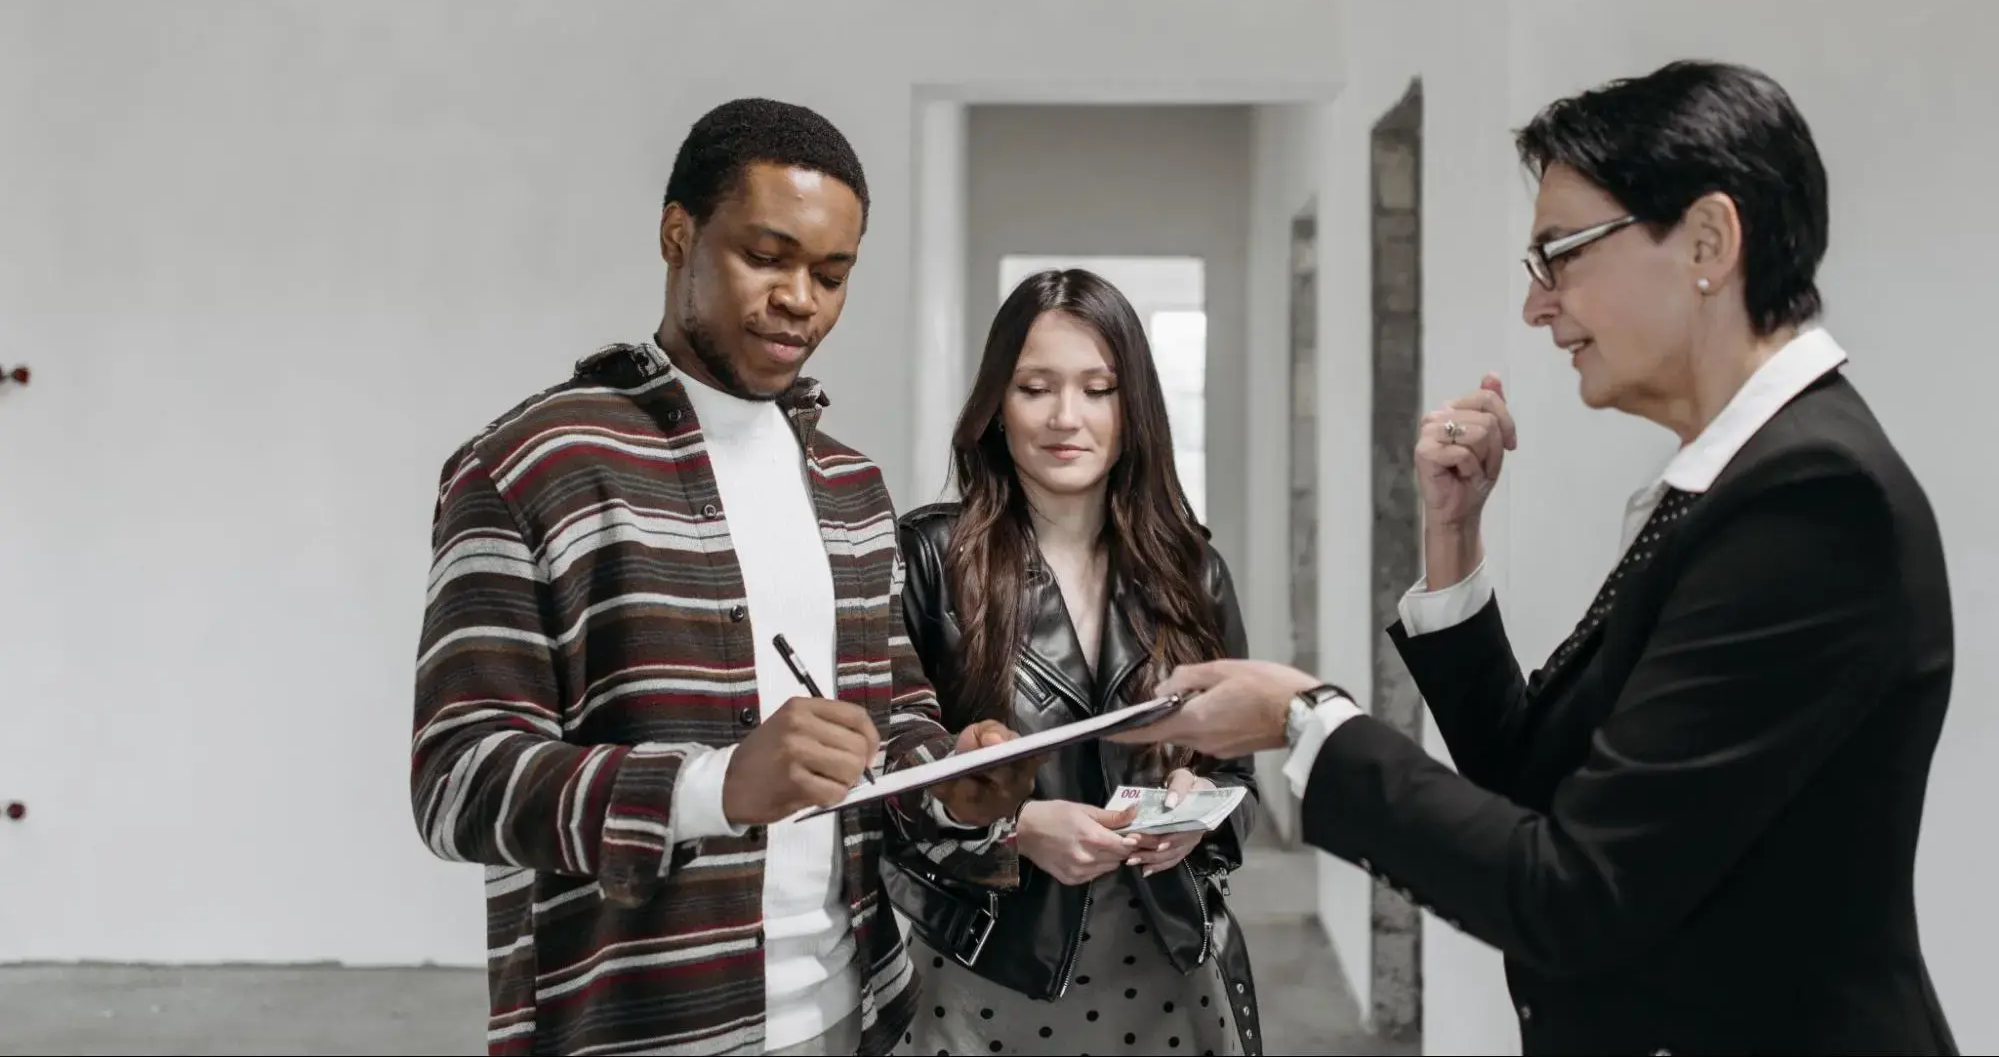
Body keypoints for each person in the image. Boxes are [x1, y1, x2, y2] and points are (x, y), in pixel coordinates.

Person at [1120, 61, 1958, 1054]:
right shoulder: (1740, 477)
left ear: (1706, 242)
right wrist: (1452, 535)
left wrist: (1304, 719)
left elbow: (1574, 891)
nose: (1538, 307)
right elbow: (1539, 790)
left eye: (1558, 254)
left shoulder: (1813, 500)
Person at [410, 97, 1040, 1057]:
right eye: (767, 256)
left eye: (832, 275)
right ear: (677, 233)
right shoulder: (530, 468)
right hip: (642, 1026)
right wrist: (716, 787)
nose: (802, 299)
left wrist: (954, 785)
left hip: (857, 1008)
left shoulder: (850, 486)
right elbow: (457, 783)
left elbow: (892, 718)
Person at [891, 268, 1262, 1056]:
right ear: (997, 402)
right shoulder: (927, 555)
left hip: (1170, 964)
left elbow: (1242, 781)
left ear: (1134, 409)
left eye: (1098, 388)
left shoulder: (1193, 570)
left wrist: (1198, 810)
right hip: (984, 967)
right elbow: (882, 791)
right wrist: (1012, 828)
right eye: (1035, 387)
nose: (1067, 417)